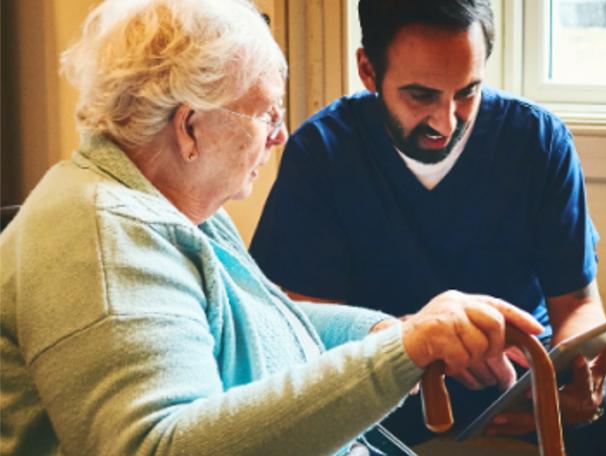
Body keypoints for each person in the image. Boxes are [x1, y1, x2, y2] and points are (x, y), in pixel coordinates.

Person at [0, 1, 546, 455]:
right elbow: (156, 447)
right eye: (265, 114)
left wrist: (394, 333)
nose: (280, 136)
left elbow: (255, 317)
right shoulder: (102, 241)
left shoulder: (166, 203)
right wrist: (400, 352)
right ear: (190, 126)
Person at [250, 0, 606, 454]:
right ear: (367, 70)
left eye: (467, 92)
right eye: (421, 96)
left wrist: (579, 372)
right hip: (391, 376)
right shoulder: (322, 153)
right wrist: (414, 341)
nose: (446, 122)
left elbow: (578, 301)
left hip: (521, 373)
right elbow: (296, 319)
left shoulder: (539, 141)